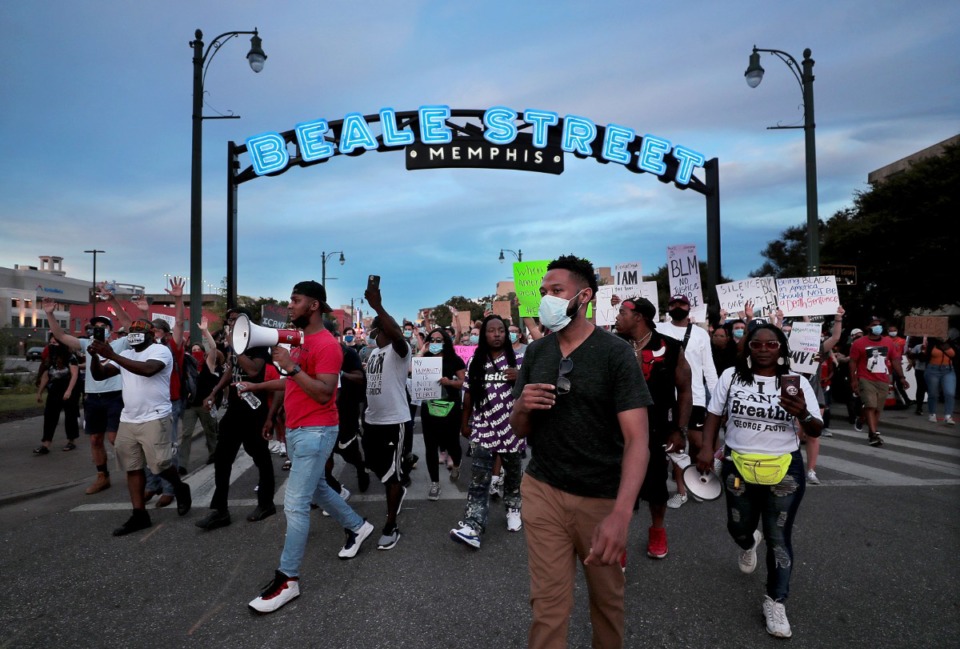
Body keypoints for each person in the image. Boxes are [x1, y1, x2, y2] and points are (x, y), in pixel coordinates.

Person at [510, 254, 651, 649]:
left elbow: (638, 439)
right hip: (543, 491)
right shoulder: (537, 353)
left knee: (607, 602)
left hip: (601, 498)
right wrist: (520, 406)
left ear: (584, 296)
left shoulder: (615, 354)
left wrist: (621, 515)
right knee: (548, 607)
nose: (546, 300)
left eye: (556, 291)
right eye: (543, 293)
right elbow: (519, 428)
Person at [246, 281, 374, 614]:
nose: (289, 306)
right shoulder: (300, 342)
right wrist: (258, 384)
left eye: (296, 300)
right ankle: (358, 527)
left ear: (314, 305)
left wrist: (291, 365)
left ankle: (288, 579)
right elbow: (293, 381)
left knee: (295, 503)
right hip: (299, 429)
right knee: (316, 489)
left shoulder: (327, 345)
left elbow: (323, 392)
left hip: (316, 430)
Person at [697, 323, 821, 639]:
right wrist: (706, 449)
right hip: (738, 466)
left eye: (771, 344)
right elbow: (713, 415)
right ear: (747, 348)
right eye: (757, 344)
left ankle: (776, 602)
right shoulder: (731, 377)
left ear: (781, 348)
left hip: (785, 470)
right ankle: (749, 542)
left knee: (778, 536)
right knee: (738, 527)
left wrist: (802, 414)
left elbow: (817, 428)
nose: (764, 349)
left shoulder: (798, 384)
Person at [88, 319, 192, 536]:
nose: (134, 334)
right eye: (131, 331)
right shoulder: (126, 354)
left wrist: (113, 354)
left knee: (160, 464)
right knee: (133, 466)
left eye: (138, 331)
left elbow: (149, 370)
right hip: (129, 419)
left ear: (151, 334)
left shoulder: (160, 350)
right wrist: (95, 356)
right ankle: (139, 514)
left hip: (155, 416)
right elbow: (100, 375)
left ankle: (180, 488)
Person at [614, 296, 692, 561]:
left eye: (622, 312)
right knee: (617, 487)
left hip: (656, 429)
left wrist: (679, 430)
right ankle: (618, 541)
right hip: (616, 431)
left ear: (639, 317)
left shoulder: (669, 347)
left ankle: (657, 531)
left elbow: (684, 389)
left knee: (657, 486)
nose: (617, 317)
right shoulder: (613, 346)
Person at [195, 308, 276, 530]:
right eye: (228, 320)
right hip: (235, 409)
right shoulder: (234, 346)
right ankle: (220, 510)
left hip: (255, 410)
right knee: (222, 458)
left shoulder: (258, 345)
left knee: (260, 457)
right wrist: (214, 392)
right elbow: (232, 370)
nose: (230, 323)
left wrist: (236, 346)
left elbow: (252, 370)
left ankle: (266, 503)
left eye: (234, 320)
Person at [42, 295, 128, 494]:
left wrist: (114, 303)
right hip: (93, 398)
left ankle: (134, 471)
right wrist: (49, 314)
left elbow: (130, 326)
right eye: (96, 326)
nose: (99, 329)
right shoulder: (86, 345)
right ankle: (102, 476)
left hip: (115, 395)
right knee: (95, 439)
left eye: (103, 326)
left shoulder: (120, 344)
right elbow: (62, 336)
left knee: (116, 439)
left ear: (110, 330)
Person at [450, 315, 523, 547]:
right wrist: (465, 421)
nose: (497, 334)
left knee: (512, 475)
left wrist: (519, 379)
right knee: (479, 479)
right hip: (483, 428)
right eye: (491, 330)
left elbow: (531, 391)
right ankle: (473, 524)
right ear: (484, 335)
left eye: (501, 330)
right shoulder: (475, 362)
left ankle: (513, 508)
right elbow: (469, 394)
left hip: (512, 428)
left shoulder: (519, 360)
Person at [362, 283, 411, 551]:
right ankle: (399, 482)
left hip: (395, 422)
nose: (373, 335)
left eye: (376, 330)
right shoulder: (373, 354)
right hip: (372, 421)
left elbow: (398, 335)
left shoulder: (399, 351)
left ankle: (391, 525)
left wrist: (378, 306)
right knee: (374, 465)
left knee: (392, 477)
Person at [658, 294, 718, 508]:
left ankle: (698, 483)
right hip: (668, 398)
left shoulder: (701, 334)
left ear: (689, 308)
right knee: (676, 446)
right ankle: (682, 491)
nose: (677, 306)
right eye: (673, 303)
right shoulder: (660, 329)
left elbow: (708, 368)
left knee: (699, 444)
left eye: (681, 304)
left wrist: (717, 399)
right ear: (669, 307)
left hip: (697, 397)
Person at [418, 328, 466, 499]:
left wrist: (449, 382)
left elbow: (463, 382)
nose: (436, 343)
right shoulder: (425, 358)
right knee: (430, 446)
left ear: (445, 342)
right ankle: (435, 484)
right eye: (433, 339)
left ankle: (456, 465)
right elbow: (412, 369)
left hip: (450, 408)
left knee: (452, 443)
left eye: (439, 340)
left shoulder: (454, 359)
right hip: (429, 407)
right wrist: (422, 350)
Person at [849, 316, 908, 446]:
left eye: (879, 325)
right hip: (865, 378)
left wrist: (902, 377)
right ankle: (874, 434)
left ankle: (867, 425)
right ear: (867, 328)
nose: (877, 327)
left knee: (877, 409)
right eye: (874, 324)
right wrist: (854, 380)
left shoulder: (888, 342)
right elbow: (853, 362)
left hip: (883, 379)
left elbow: (895, 360)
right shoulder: (859, 343)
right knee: (871, 405)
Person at [179, 317, 222, 471]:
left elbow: (214, 347)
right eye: (194, 350)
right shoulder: (187, 366)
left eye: (199, 350)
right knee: (186, 434)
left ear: (203, 353)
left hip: (206, 404)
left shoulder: (208, 364)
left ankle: (214, 454)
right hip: (191, 405)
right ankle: (182, 464)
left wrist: (205, 330)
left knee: (210, 430)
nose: (196, 352)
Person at [33, 334, 80, 454]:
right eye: (51, 343)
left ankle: (71, 441)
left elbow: (74, 374)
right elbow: (46, 375)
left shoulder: (70, 357)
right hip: (54, 389)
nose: (52, 345)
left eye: (55, 343)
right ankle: (46, 444)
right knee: (49, 416)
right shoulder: (50, 358)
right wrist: (40, 392)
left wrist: (69, 391)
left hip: (70, 388)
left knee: (70, 415)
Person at [924, 332, 957, 425]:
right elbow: (924, 356)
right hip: (933, 370)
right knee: (933, 394)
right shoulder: (931, 344)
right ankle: (932, 414)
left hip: (948, 370)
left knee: (950, 393)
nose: (942, 337)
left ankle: (948, 416)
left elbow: (956, 355)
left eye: (945, 335)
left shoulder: (952, 344)